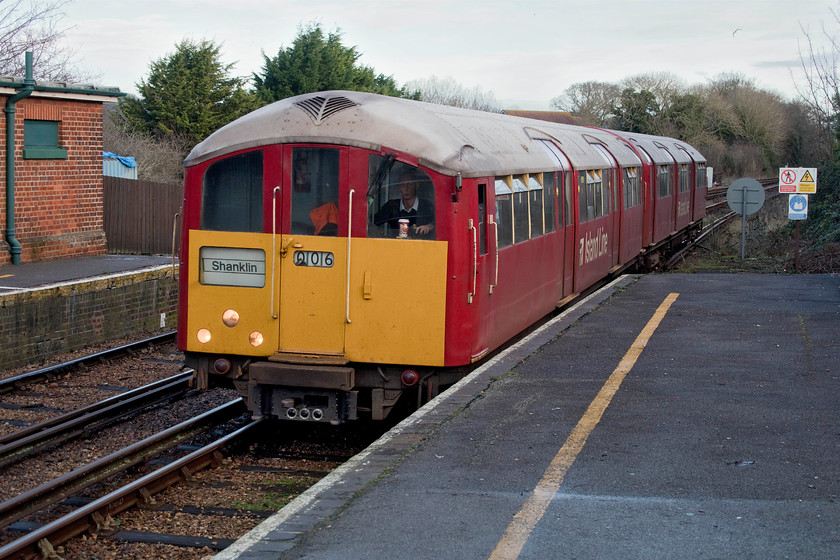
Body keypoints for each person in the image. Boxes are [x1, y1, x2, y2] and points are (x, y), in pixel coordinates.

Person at [373, 171, 434, 237]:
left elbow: (441, 225)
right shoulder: (391, 206)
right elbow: (372, 222)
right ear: (399, 187)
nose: (406, 188)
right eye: (403, 184)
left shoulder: (427, 206)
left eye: (410, 184)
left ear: (416, 186)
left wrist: (430, 226)